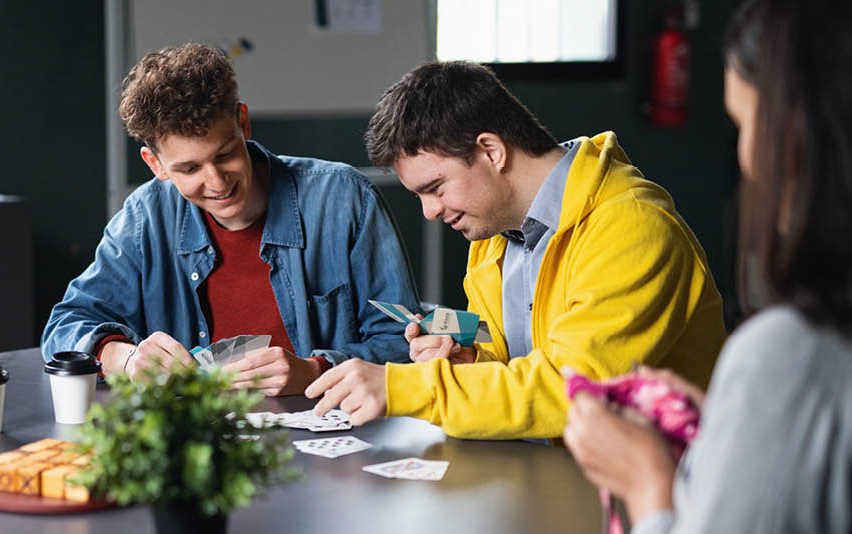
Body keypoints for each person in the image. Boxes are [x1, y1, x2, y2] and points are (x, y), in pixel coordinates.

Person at [306, 60, 726, 439]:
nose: (430, 212)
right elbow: (509, 364)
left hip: (661, 490)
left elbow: (572, 390)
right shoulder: (491, 235)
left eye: (434, 189)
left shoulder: (633, 227)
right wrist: (466, 359)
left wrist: (404, 386)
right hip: (552, 471)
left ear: (491, 151)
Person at [563, 0, 852, 531]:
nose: (746, 156)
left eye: (746, 123)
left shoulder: (786, 354)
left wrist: (648, 482)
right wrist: (729, 423)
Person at [42, 43, 421, 396]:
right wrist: (123, 358)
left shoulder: (344, 198)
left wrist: (315, 369)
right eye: (189, 168)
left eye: (225, 155)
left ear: (243, 122)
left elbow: (403, 340)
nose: (217, 182)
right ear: (155, 164)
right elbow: (65, 326)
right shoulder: (145, 218)